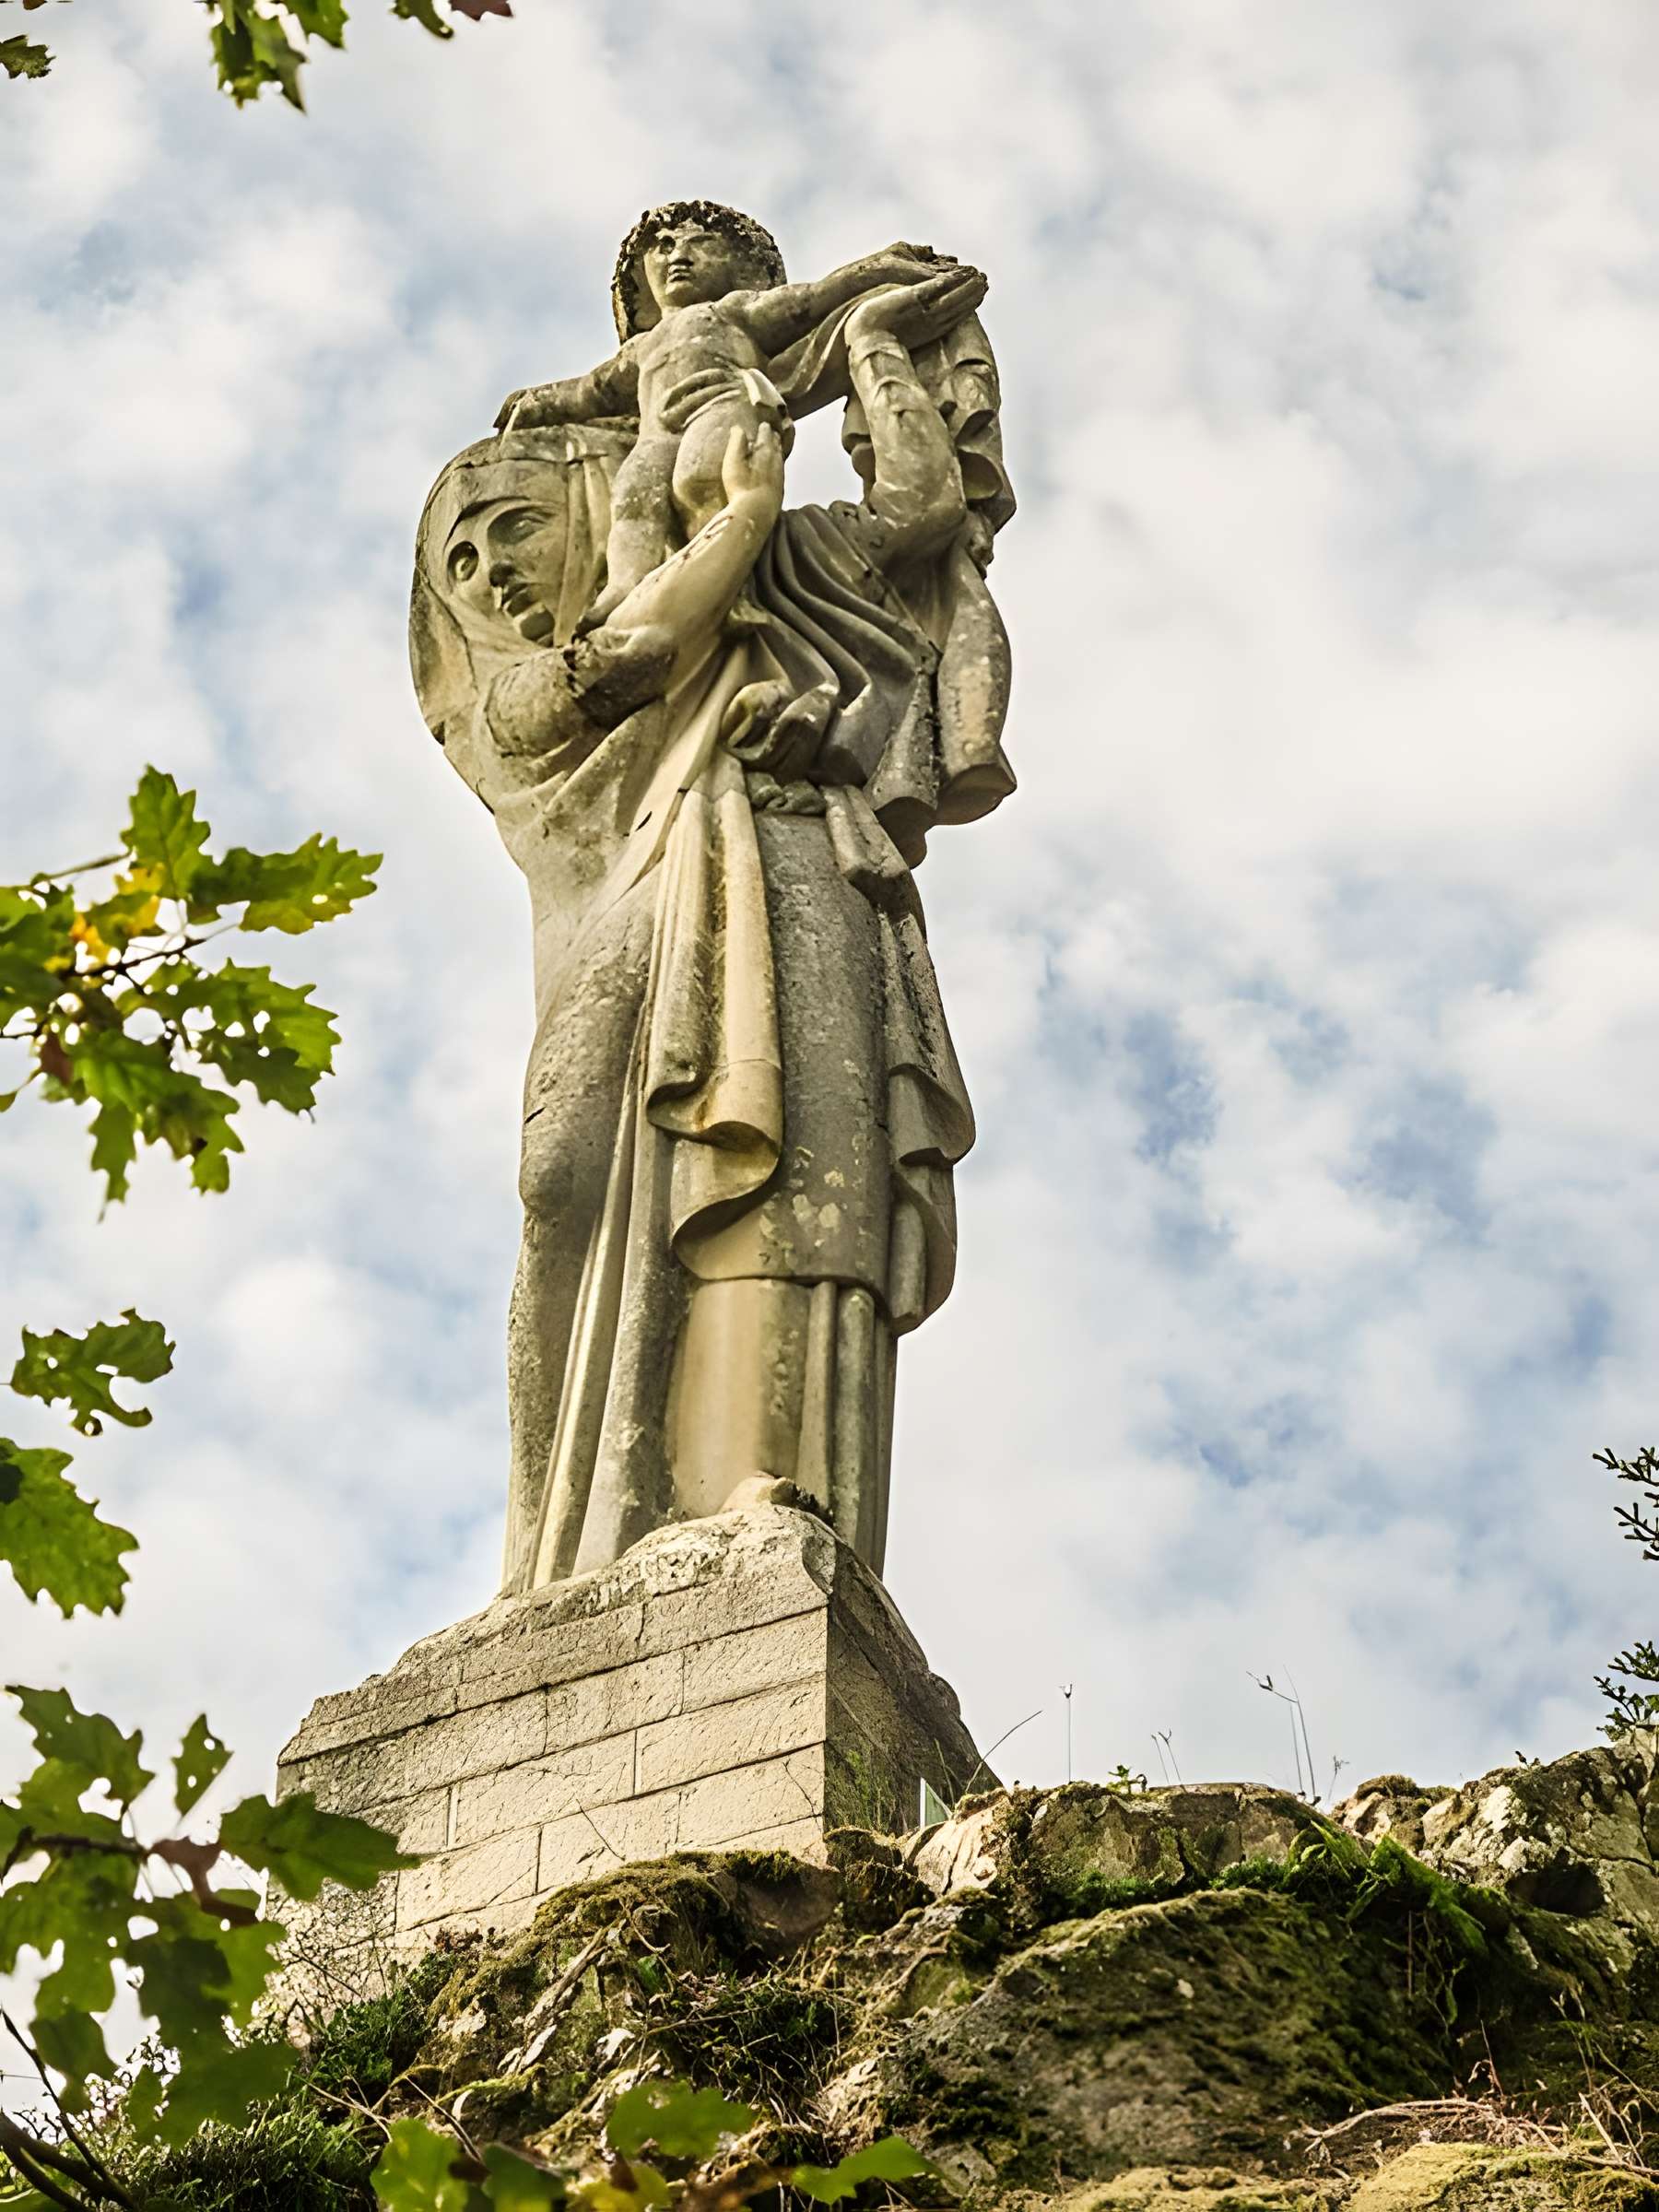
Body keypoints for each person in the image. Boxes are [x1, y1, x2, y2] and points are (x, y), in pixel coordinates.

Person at [410, 262, 1015, 1595]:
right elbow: (623, 659)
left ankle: (752, 1484)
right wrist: (732, 520)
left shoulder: (798, 557)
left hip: (785, 846)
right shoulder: (521, 689)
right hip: (645, 870)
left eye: (512, 529)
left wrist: (873, 350)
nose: (490, 568)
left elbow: (914, 524)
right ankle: (554, 1550)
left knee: (783, 1153)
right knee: (560, 1181)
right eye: (461, 558)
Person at [494, 199, 954, 627]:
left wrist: (877, 269)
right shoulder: (641, 347)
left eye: (700, 244)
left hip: (721, 406)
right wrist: (537, 401)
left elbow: (812, 299)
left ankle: (731, 586)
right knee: (634, 502)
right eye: (665, 248)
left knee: (702, 480)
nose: (679, 256)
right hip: (656, 435)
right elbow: (589, 392)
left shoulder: (731, 310)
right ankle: (625, 587)